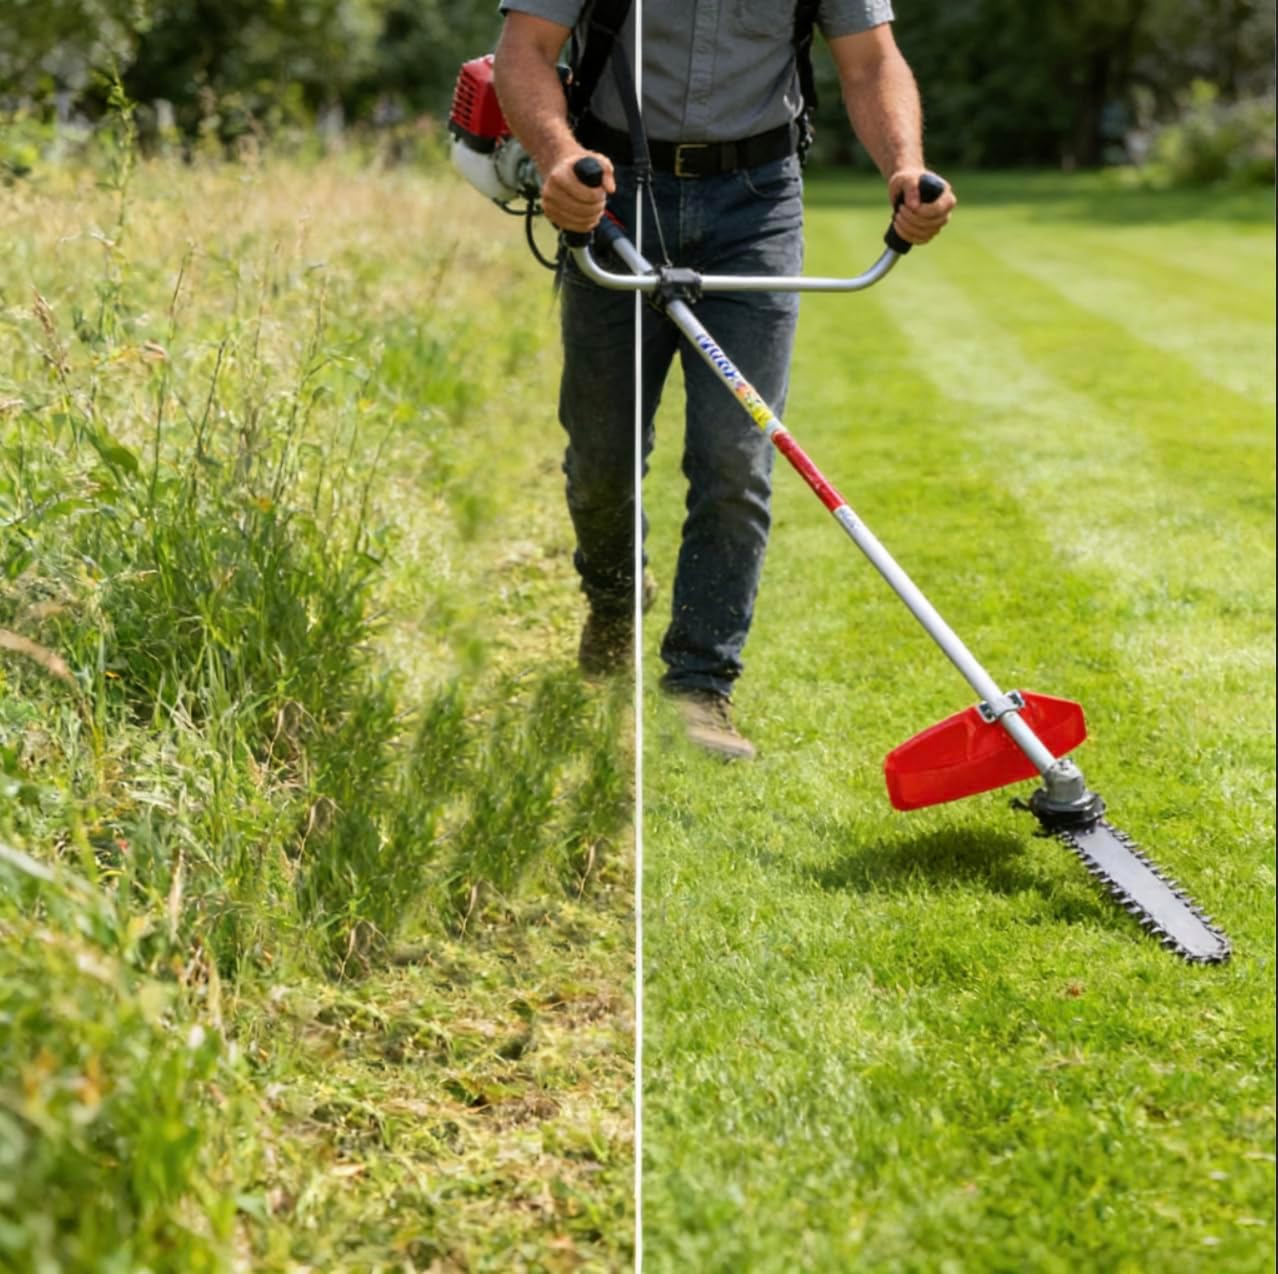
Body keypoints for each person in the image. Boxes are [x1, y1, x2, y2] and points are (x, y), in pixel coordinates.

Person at [493, 1, 955, 759]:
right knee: (602, 454)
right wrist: (555, 160)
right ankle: (613, 598)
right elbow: (524, 49)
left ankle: (700, 687)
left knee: (736, 456)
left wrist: (905, 167)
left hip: (757, 205)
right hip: (613, 194)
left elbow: (871, 62)